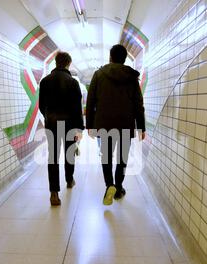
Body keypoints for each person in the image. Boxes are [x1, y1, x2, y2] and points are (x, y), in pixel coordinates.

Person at [86, 44, 146, 206]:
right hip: (126, 123)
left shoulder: (99, 75)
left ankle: (109, 185)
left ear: (110, 57)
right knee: (122, 158)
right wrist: (141, 127)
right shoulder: (132, 77)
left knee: (106, 156)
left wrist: (89, 125)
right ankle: (119, 187)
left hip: (104, 123)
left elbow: (90, 101)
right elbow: (138, 104)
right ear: (125, 58)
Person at [39, 52, 84, 206]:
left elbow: (41, 106)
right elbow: (78, 108)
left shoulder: (44, 81)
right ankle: (69, 180)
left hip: (51, 124)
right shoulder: (73, 83)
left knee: (53, 157)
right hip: (70, 125)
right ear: (68, 64)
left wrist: (48, 117)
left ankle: (54, 193)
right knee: (69, 154)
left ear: (56, 62)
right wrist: (79, 128)